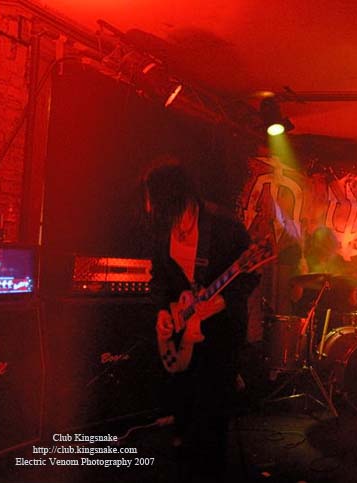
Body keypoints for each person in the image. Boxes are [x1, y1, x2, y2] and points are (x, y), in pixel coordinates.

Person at [143, 157, 258, 483]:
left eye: (155, 202)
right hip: (183, 329)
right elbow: (159, 278)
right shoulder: (163, 227)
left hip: (220, 333)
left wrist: (222, 299)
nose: (151, 209)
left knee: (212, 418)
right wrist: (162, 311)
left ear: (175, 197)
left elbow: (251, 275)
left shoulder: (225, 226)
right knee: (184, 410)